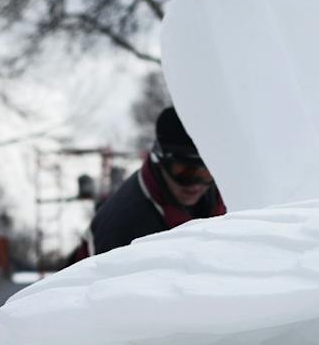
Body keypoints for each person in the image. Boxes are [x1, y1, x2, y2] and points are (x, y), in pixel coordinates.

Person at [70, 106, 225, 263]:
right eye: (185, 172)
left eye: (206, 173)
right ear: (161, 160)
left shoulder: (224, 195)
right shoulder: (125, 227)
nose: (196, 184)